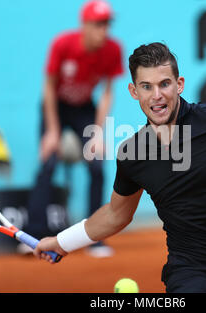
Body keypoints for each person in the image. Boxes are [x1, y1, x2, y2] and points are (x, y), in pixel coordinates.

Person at [33, 42, 206, 293]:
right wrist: (62, 241)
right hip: (191, 271)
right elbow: (116, 214)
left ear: (179, 84)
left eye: (164, 84)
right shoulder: (132, 154)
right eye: (146, 87)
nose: (157, 95)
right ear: (133, 91)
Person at [23, 0, 123, 258]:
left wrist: (99, 132)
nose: (104, 30)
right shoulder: (62, 44)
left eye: (106, 24)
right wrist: (52, 132)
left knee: (97, 165)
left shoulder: (113, 50)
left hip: (84, 110)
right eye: (98, 24)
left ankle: (95, 238)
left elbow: (107, 93)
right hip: (55, 105)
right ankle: (33, 236)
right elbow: (48, 88)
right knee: (48, 163)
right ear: (85, 25)